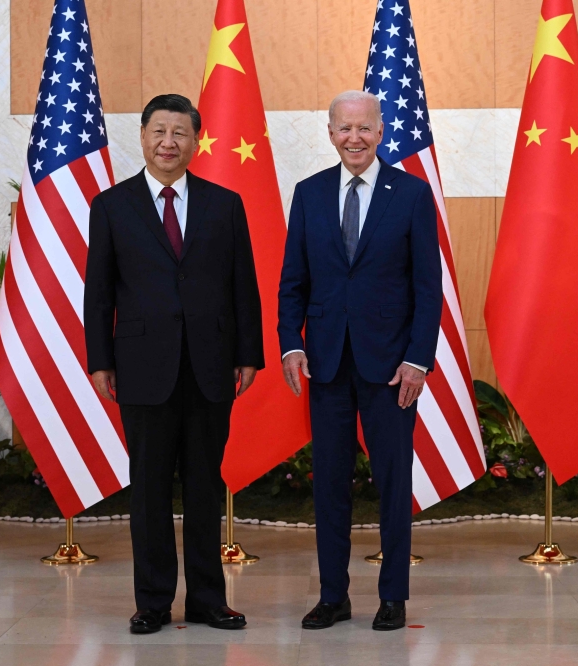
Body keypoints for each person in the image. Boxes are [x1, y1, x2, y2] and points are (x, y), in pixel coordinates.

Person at [85, 94, 264, 634]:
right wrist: (100, 360)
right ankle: (154, 602)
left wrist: (248, 354)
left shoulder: (224, 204)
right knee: (150, 490)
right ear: (142, 137)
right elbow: (98, 293)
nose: (169, 142)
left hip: (211, 367)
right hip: (141, 367)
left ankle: (209, 599)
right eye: (159, 131)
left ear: (195, 141)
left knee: (206, 487)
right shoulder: (112, 206)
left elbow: (244, 288)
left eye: (180, 133)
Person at [277, 90, 443, 631]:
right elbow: (292, 284)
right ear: (329, 133)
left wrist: (419, 359)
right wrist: (292, 344)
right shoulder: (309, 194)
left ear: (380, 131)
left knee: (393, 483)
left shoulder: (413, 195)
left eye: (364, 128)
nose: (354, 138)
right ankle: (333, 595)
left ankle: (392, 596)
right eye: (344, 128)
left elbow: (427, 286)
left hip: (392, 367)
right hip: (326, 364)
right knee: (328, 484)